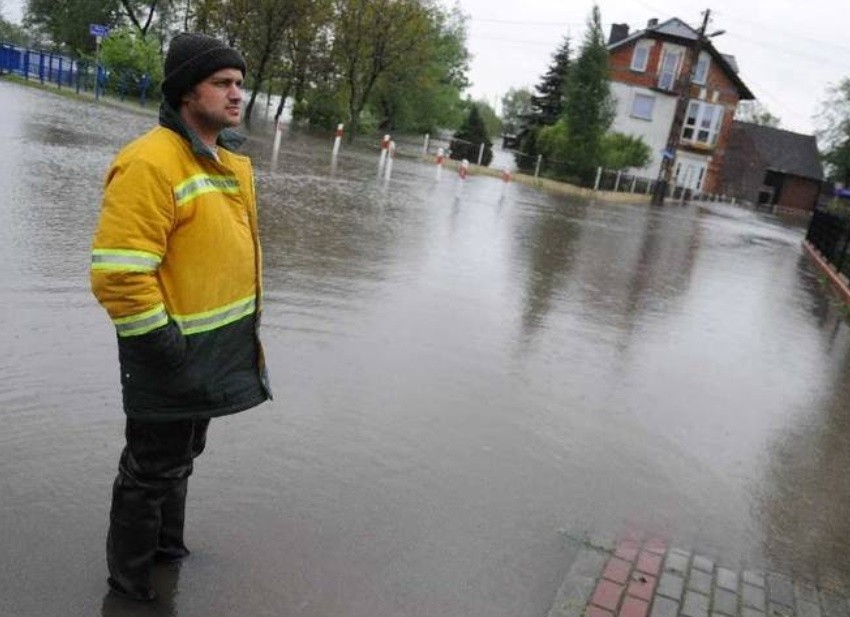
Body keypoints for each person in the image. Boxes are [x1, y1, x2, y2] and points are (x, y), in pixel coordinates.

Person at [90, 32, 271, 602]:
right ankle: (131, 588)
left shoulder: (223, 159)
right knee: (149, 471)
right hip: (169, 352)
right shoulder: (150, 162)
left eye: (239, 83)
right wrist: (166, 350)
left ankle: (168, 554)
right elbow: (119, 275)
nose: (236, 93)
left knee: (179, 459)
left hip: (209, 353)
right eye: (222, 83)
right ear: (186, 91)